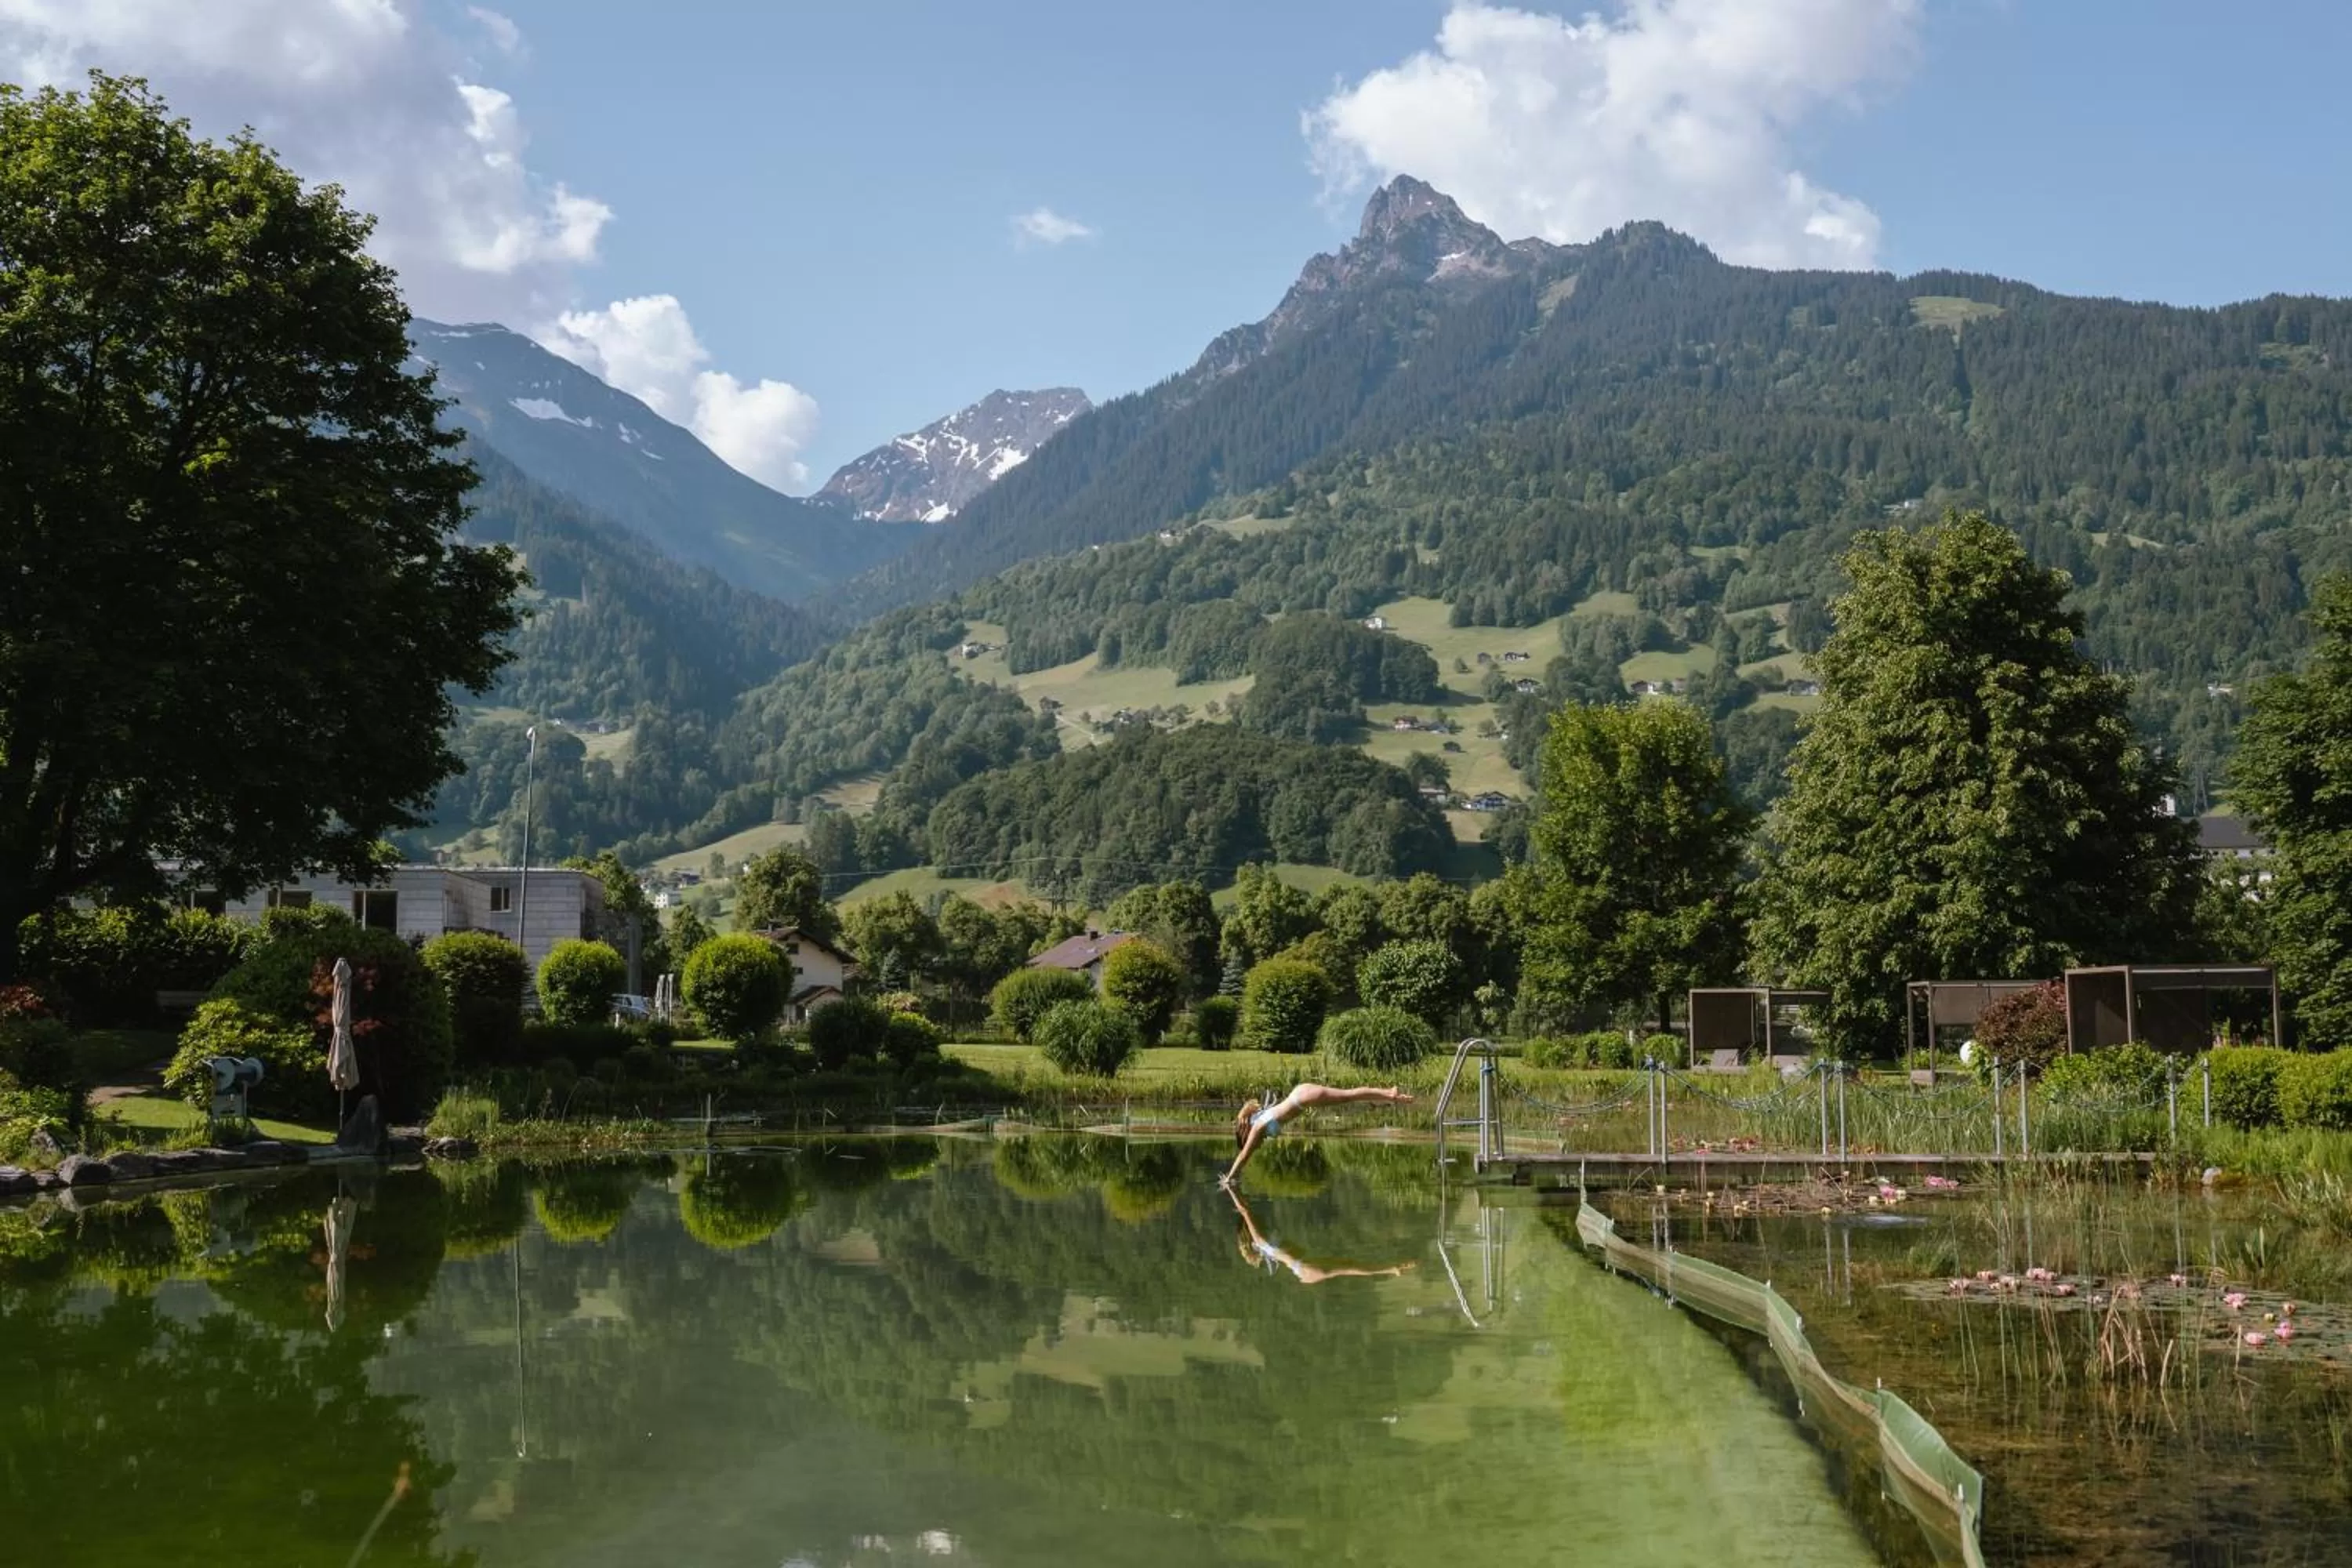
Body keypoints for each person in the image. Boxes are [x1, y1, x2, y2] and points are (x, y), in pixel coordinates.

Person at [1223, 1081, 1411, 1185]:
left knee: (1349, 1095)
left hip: (1303, 1097)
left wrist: (1229, 1178)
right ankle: (1389, 1094)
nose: (1257, 1144)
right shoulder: (1259, 1121)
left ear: (1247, 1135)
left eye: (1249, 1141)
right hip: (1301, 1095)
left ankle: (1390, 1094)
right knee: (1349, 1095)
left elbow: (1243, 1157)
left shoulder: (1258, 1127)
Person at [1228, 1187, 1414, 1285]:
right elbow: (1245, 1211)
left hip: (1305, 1268)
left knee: (1349, 1265)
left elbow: (1247, 1210)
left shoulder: (1264, 1243)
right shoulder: (1260, 1240)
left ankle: (1390, 1270)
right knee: (1349, 1267)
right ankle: (1390, 1270)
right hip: (1306, 1268)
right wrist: (1231, 1189)